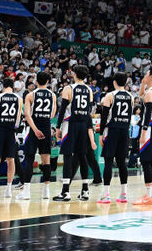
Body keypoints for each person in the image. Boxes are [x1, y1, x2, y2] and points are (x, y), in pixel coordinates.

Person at [54, 65, 96, 202]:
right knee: (82, 157)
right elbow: (89, 112)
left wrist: (58, 127)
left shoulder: (69, 88)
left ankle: (65, 191)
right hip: (83, 125)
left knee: (67, 156)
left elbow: (62, 110)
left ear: (74, 74)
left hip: (70, 125)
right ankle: (85, 190)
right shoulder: (89, 90)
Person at [19, 71, 56, 200]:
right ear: (48, 81)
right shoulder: (52, 95)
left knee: (30, 159)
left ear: (36, 81)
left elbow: (27, 115)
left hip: (34, 129)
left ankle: (26, 191)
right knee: (46, 161)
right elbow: (52, 113)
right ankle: (46, 191)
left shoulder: (30, 95)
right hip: (46, 129)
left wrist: (35, 129)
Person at [98, 72, 132, 204]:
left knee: (108, 161)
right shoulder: (130, 96)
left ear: (114, 82)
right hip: (125, 131)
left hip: (112, 131)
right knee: (122, 162)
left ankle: (106, 194)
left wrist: (101, 134)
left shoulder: (110, 95)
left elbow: (104, 117)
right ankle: (124, 194)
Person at [133, 66, 152, 206]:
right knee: (150, 162)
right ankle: (151, 195)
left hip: (149, 129)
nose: (144, 75)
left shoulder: (151, 93)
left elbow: (148, 114)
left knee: (146, 162)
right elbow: (140, 96)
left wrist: (143, 133)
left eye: (146, 74)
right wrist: (142, 84)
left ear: (151, 77)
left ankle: (149, 196)